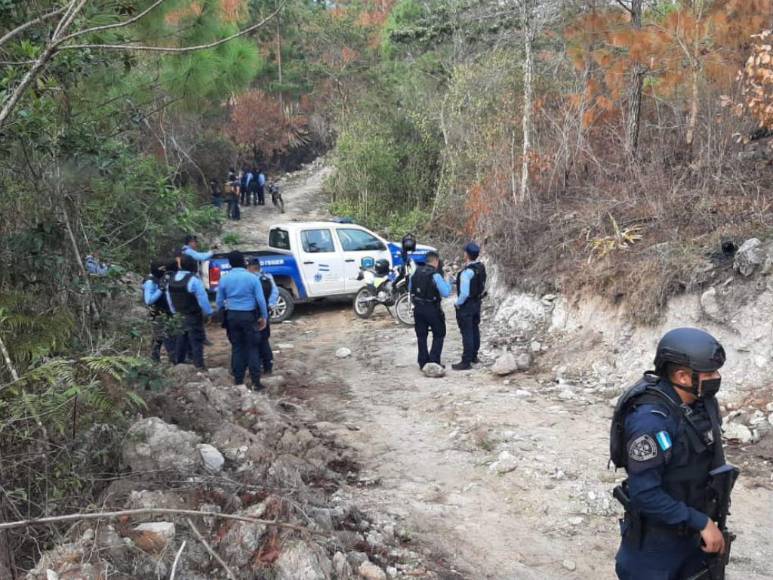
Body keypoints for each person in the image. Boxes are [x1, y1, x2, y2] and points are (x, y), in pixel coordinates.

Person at [612, 328, 733, 580]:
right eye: (709, 373)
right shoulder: (651, 421)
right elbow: (645, 494)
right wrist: (702, 523)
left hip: (691, 532)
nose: (717, 377)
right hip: (656, 548)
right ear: (683, 376)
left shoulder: (701, 404)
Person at [216, 251, 268, 389]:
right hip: (249, 316)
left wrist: (222, 314)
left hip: (232, 316)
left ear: (230, 263)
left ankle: (239, 382)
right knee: (252, 348)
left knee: (237, 348)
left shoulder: (224, 279)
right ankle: (256, 382)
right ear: (244, 262)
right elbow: (261, 300)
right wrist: (264, 317)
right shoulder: (252, 278)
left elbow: (219, 301)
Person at [166, 255, 212, 369]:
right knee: (196, 341)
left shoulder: (171, 279)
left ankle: (179, 364)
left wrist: (174, 312)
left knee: (181, 339)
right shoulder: (194, 280)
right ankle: (199, 366)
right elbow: (203, 299)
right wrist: (208, 313)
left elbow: (169, 299)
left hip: (178, 315)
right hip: (193, 315)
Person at [410, 251, 452, 370]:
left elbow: (410, 288)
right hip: (432, 308)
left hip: (418, 308)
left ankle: (422, 361)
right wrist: (448, 280)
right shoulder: (435, 275)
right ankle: (434, 360)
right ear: (436, 261)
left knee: (421, 335)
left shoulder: (416, 272)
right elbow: (446, 293)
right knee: (439, 333)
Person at [452, 242, 486, 371]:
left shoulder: (467, 273)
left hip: (467, 305)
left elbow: (464, 293)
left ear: (466, 254)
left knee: (467, 332)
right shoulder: (480, 267)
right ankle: (474, 356)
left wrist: (457, 303)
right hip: (477, 302)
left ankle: (466, 361)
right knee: (474, 329)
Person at [247, 257, 279, 374]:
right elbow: (275, 292)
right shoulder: (268, 277)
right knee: (264, 340)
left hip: (252, 313)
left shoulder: (249, 279)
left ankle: (256, 365)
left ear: (251, 267)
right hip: (265, 312)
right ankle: (268, 366)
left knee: (252, 342)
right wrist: (270, 306)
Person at [143, 260, 176, 362]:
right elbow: (148, 300)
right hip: (156, 312)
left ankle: (167, 358)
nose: (164, 271)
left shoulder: (160, 278)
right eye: (162, 269)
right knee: (161, 336)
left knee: (168, 335)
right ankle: (161, 359)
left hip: (165, 310)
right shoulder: (150, 282)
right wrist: (160, 289)